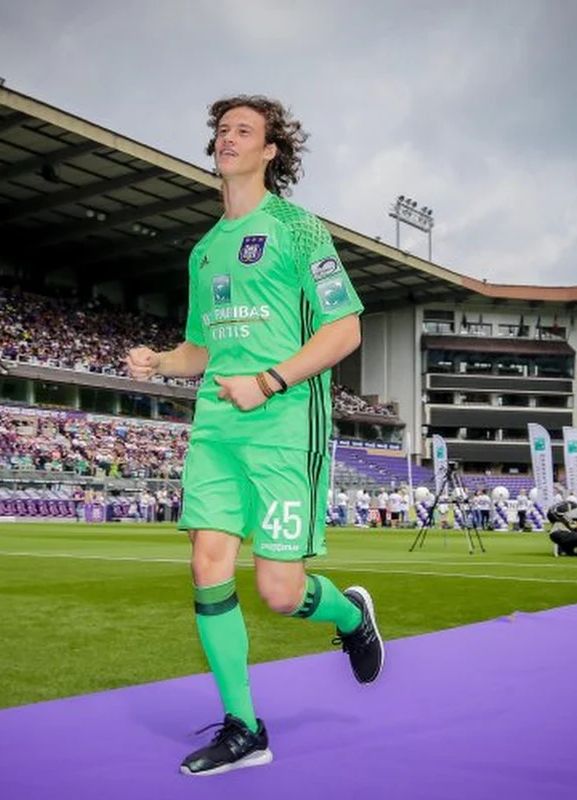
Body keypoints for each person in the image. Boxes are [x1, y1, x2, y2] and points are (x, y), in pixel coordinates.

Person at [125, 95, 384, 777]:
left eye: (244, 130)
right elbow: (200, 350)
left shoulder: (299, 230)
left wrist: (269, 380)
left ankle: (350, 616)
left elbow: (344, 331)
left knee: (278, 590)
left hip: (283, 423)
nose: (227, 137)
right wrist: (161, 361)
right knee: (207, 562)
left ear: (271, 151)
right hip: (215, 426)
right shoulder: (206, 250)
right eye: (221, 129)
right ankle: (245, 727)